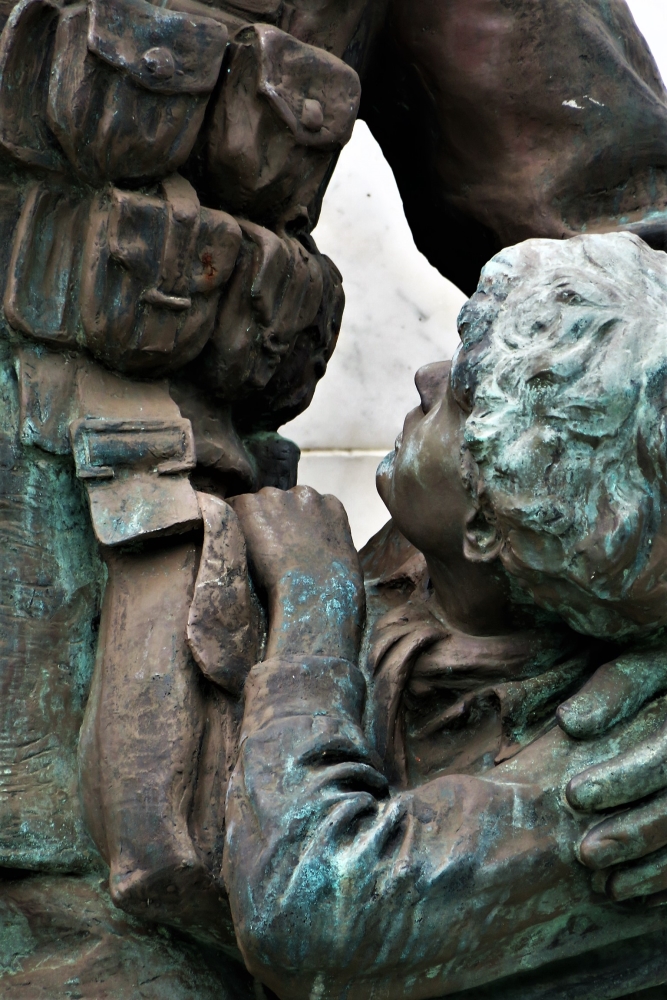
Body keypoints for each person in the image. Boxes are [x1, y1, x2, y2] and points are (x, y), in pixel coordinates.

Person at [224, 232, 667, 1000]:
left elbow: (307, 910)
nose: (425, 377)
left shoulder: (605, 774)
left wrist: (310, 608)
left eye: (459, 398)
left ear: (492, 525)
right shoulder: (452, 551)